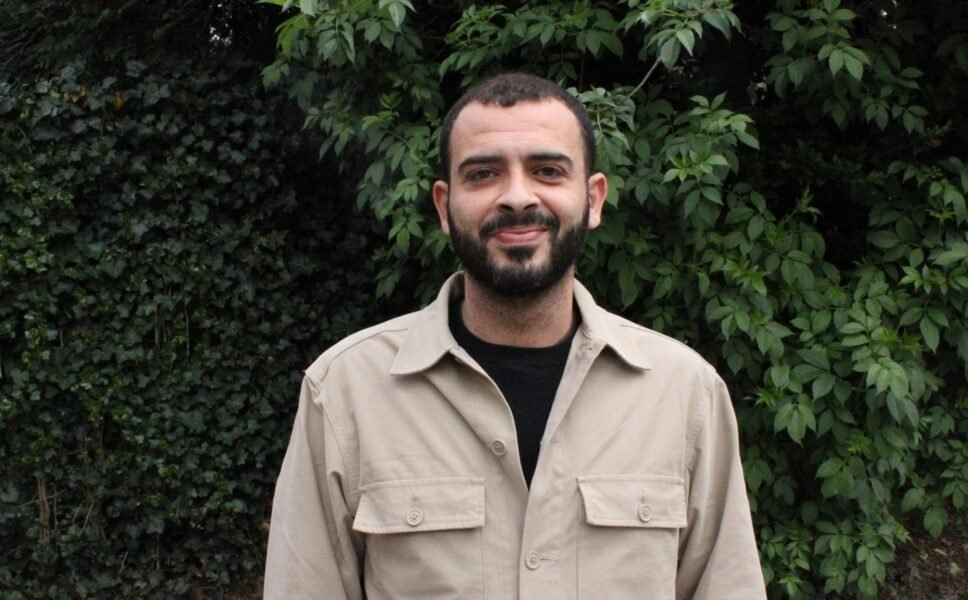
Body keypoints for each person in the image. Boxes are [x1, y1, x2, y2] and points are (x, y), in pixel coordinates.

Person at [264, 72, 766, 599]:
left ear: (594, 199)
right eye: (483, 174)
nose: (518, 197)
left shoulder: (684, 393)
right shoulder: (344, 392)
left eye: (548, 171)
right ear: (444, 206)